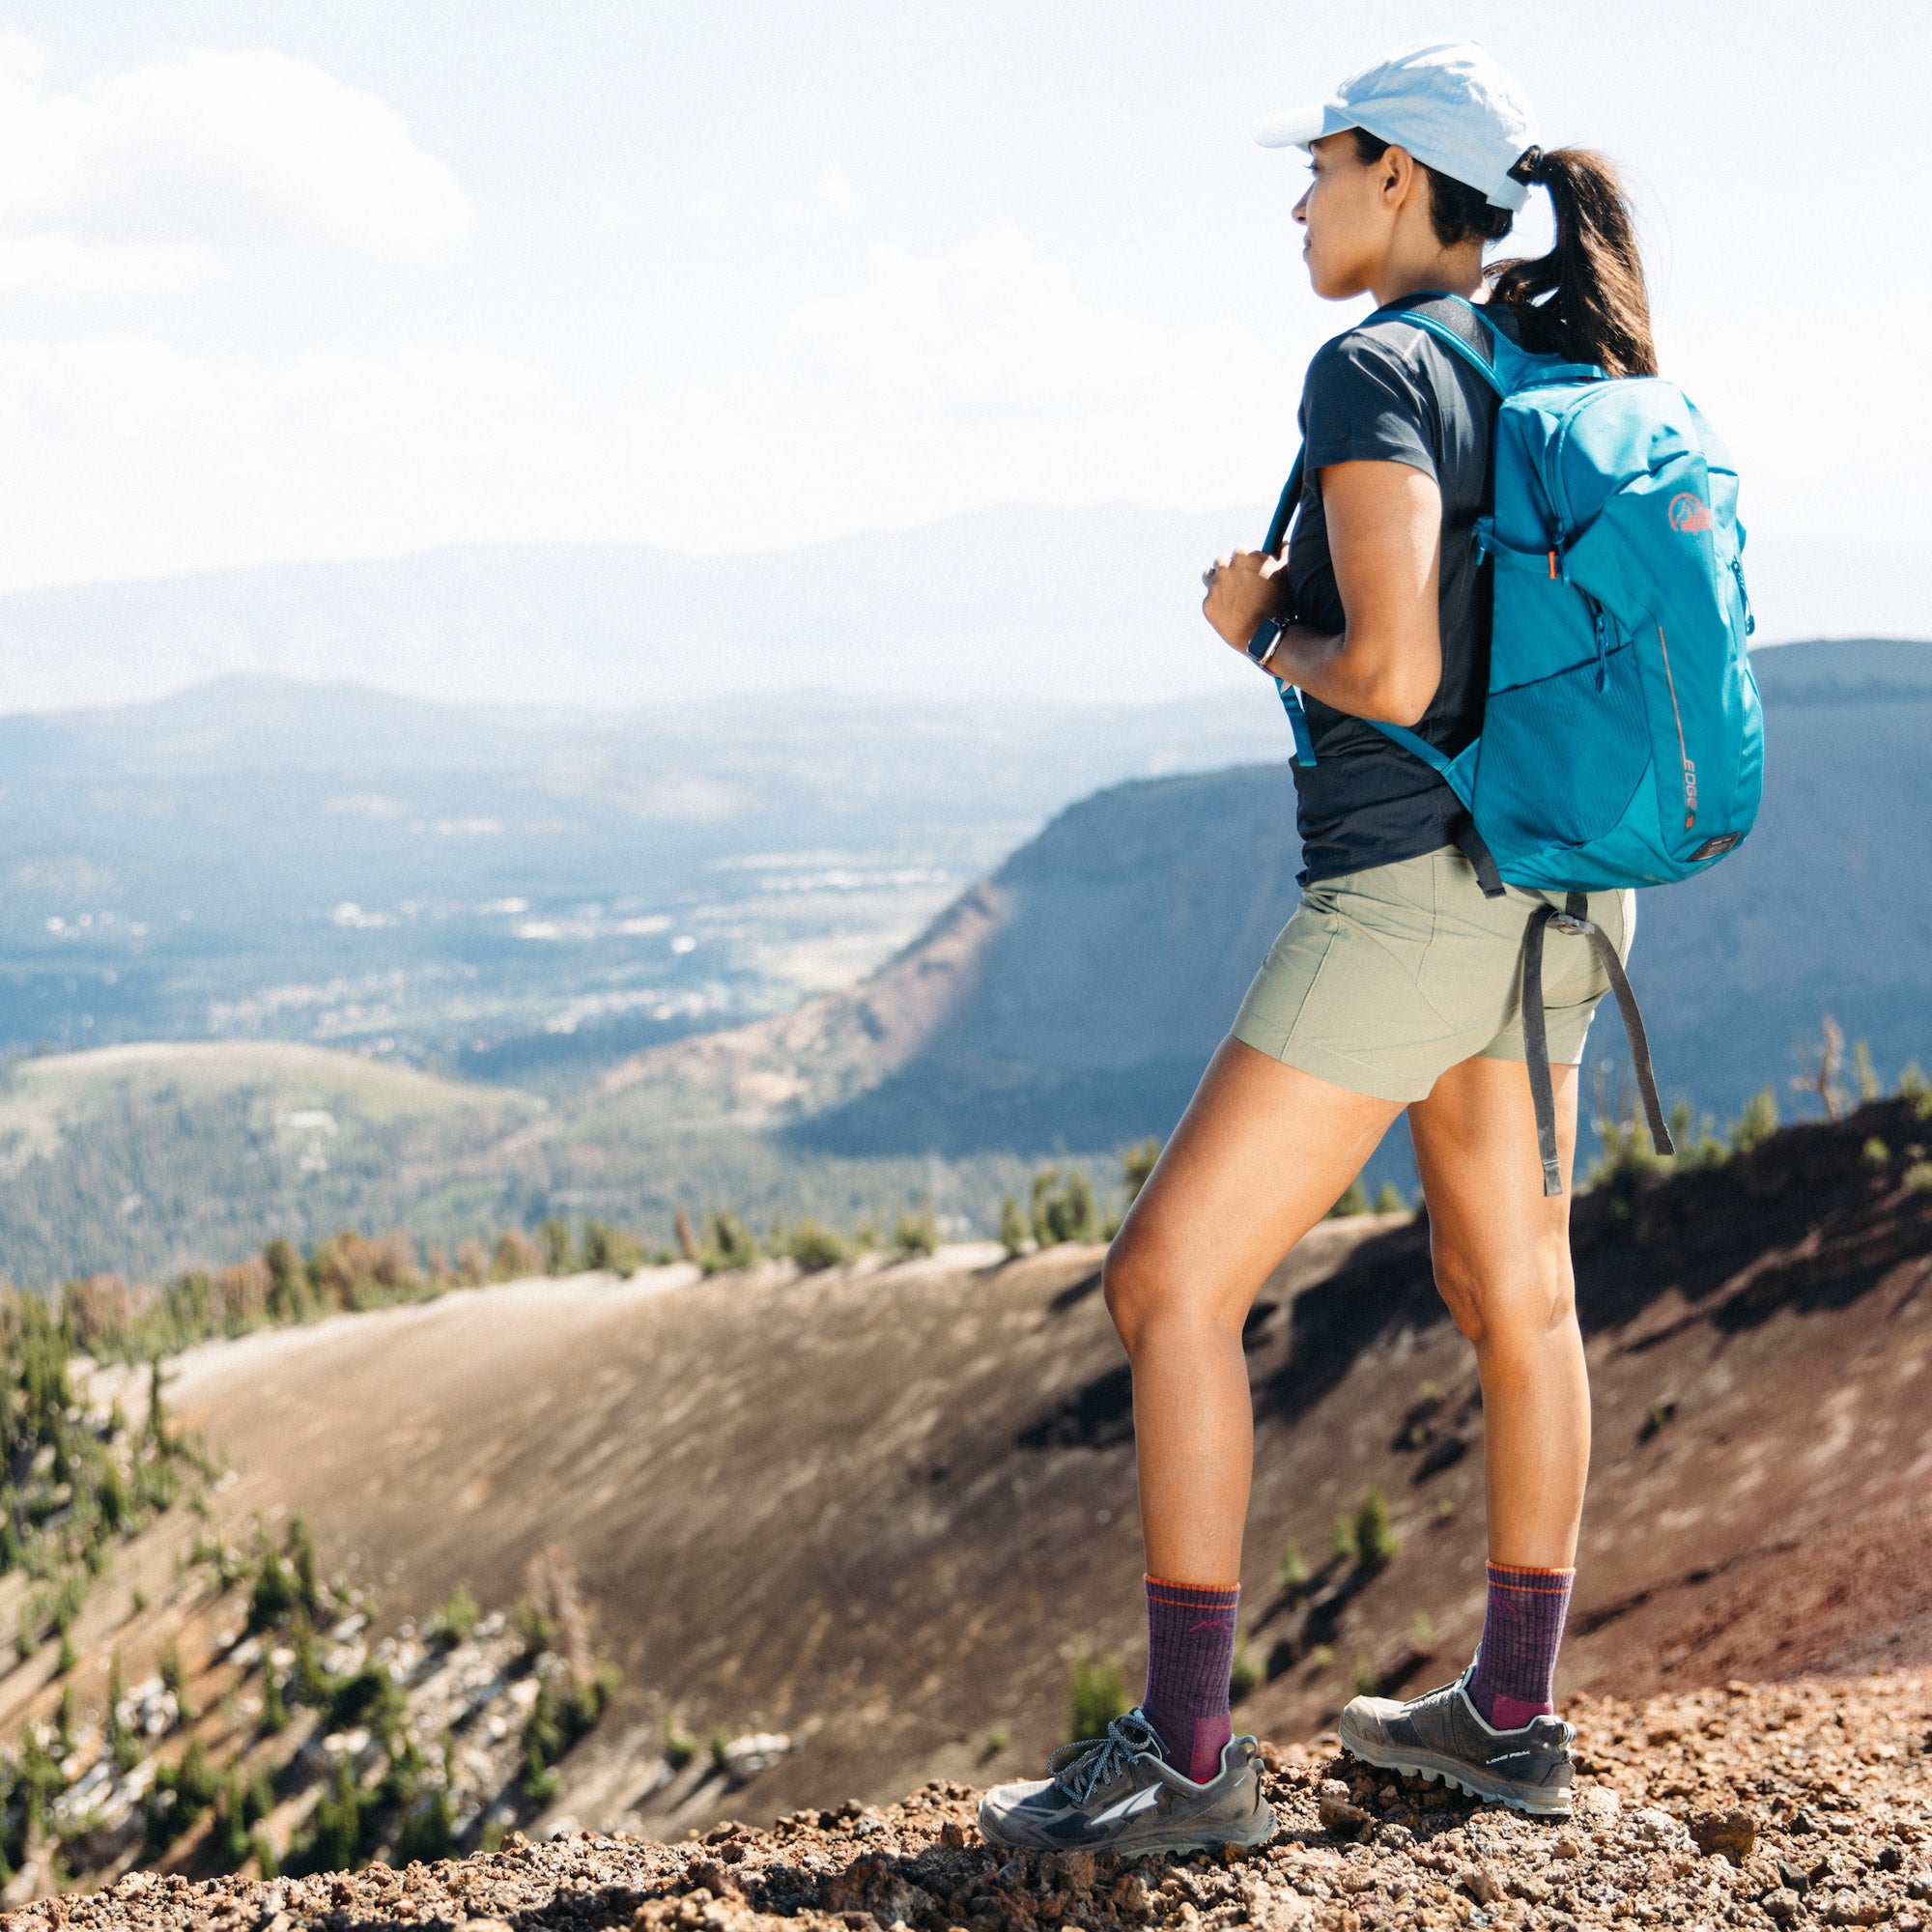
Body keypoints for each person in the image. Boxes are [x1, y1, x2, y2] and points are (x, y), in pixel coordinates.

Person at [980, 40, 1662, 1853]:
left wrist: (1254, 631)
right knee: (1517, 1293)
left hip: (1417, 896)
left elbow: (1397, 676)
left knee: (1169, 1282)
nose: (1299, 198)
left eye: (1323, 164)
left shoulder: (1375, 364)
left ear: (1397, 180)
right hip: (1566, 889)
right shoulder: (1553, 355)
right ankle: (1510, 1715)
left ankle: (1192, 1758)